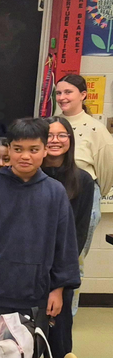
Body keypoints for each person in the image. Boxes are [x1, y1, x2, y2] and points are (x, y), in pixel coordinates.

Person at [0, 118, 80, 339]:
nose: (25, 156)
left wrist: (57, 290)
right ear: (8, 149)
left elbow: (64, 245)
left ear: (45, 150)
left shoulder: (55, 192)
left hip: (36, 292)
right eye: (18, 149)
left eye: (33, 149)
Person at [42, 116, 95, 358]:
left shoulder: (82, 180)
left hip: (59, 272)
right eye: (49, 135)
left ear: (70, 140)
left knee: (59, 335)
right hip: (27, 270)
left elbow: (77, 233)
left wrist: (60, 282)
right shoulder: (28, 173)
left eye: (62, 135)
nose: (55, 140)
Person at [55, 74, 113, 321]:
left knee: (74, 259)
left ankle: (67, 316)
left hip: (84, 198)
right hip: (55, 196)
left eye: (68, 92)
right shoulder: (52, 125)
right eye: (58, 93)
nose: (62, 98)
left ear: (83, 95)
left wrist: (90, 192)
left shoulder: (95, 128)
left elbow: (107, 171)